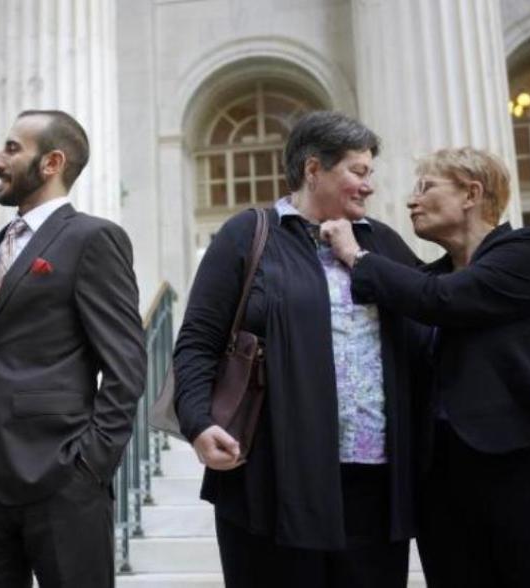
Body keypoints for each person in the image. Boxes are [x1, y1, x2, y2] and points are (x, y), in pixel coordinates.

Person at [173, 111, 424, 588]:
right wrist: (199, 421)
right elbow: (197, 341)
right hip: (270, 480)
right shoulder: (248, 234)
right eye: (358, 171)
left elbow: (433, 315)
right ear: (313, 170)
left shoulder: (381, 243)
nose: (368, 186)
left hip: (373, 486)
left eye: (369, 173)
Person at [321, 147, 530, 588]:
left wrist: (357, 256)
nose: (411, 200)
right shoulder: (429, 276)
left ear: (471, 193)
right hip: (443, 484)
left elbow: (443, 300)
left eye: (425, 187)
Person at [0, 110, 146, 588]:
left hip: (62, 474)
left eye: (12, 148)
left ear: (52, 162)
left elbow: (125, 365)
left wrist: (90, 464)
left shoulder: (92, 238)